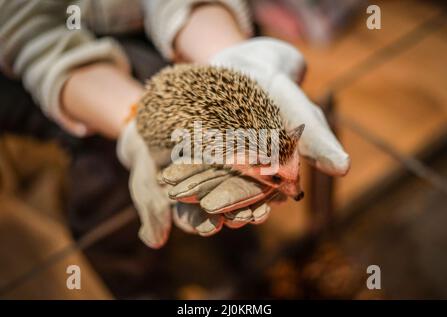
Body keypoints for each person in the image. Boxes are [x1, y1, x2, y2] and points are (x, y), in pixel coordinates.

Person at [0, 0, 350, 249]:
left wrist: (232, 56)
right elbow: (33, 36)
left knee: (236, 198)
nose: (295, 190)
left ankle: (239, 250)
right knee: (107, 174)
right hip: (32, 59)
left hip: (155, 22)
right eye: (278, 176)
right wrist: (133, 126)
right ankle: (135, 284)